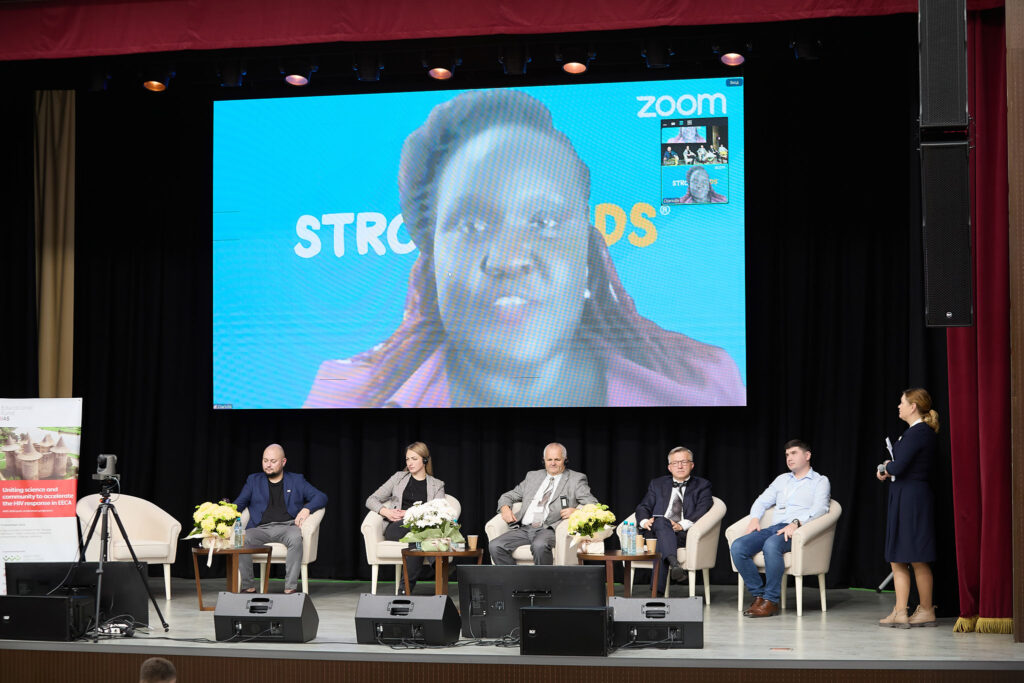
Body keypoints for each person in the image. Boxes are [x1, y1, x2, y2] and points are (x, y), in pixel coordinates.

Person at [305, 89, 745, 409]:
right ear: (432, 260)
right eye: (471, 224)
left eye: (545, 222)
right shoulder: (345, 399)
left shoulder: (702, 387)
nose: (509, 259)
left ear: (589, 254)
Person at [730, 439, 831, 617]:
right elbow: (762, 501)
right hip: (774, 528)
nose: (789, 458)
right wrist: (755, 518)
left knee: (771, 545)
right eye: (787, 455)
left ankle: (771, 601)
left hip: (799, 530)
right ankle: (759, 596)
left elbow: (821, 508)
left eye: (794, 453)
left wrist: (796, 523)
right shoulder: (782, 479)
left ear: (807, 455)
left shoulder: (820, 481)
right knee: (738, 546)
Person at [876, 388, 939, 628]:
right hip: (905, 495)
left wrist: (886, 467)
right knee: (899, 556)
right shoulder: (913, 433)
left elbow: (899, 466)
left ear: (913, 406)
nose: (898, 406)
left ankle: (924, 610)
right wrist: (889, 467)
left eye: (902, 402)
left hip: (912, 499)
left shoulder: (919, 432)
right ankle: (901, 611)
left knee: (916, 556)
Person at [233, 443, 328, 594]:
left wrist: (307, 509)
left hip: (288, 527)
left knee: (296, 538)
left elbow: (321, 497)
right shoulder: (253, 480)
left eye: (273, 461)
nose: (268, 465)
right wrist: (221, 516)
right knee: (241, 541)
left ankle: (290, 589)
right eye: (265, 461)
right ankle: (248, 587)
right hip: (260, 528)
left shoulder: (296, 480)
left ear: (283, 462)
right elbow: (238, 505)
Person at [490, 443, 598, 565]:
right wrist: (505, 509)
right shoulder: (533, 476)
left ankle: (544, 579)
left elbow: (594, 505)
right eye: (549, 460)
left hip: (549, 528)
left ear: (565, 460)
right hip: (525, 528)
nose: (553, 463)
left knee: (539, 546)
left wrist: (577, 512)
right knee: (495, 545)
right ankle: (515, 577)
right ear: (544, 460)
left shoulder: (576, 479)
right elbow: (508, 496)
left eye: (557, 459)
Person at [366, 442, 446, 594]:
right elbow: (371, 500)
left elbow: (439, 510)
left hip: (418, 529)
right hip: (397, 527)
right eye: (407, 459)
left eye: (414, 459)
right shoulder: (398, 478)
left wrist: (410, 513)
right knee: (418, 530)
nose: (410, 463)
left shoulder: (437, 485)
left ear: (424, 460)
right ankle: (439, 565)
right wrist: (385, 511)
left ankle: (404, 591)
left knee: (416, 539)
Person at [635, 446, 713, 589]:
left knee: (661, 543)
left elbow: (703, 508)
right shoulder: (657, 484)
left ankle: (657, 593)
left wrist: (682, 525)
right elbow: (643, 507)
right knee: (661, 522)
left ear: (692, 465)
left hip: (682, 534)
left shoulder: (702, 485)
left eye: (684, 462)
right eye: (675, 463)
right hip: (655, 529)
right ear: (669, 467)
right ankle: (675, 564)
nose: (680, 466)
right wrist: (645, 521)